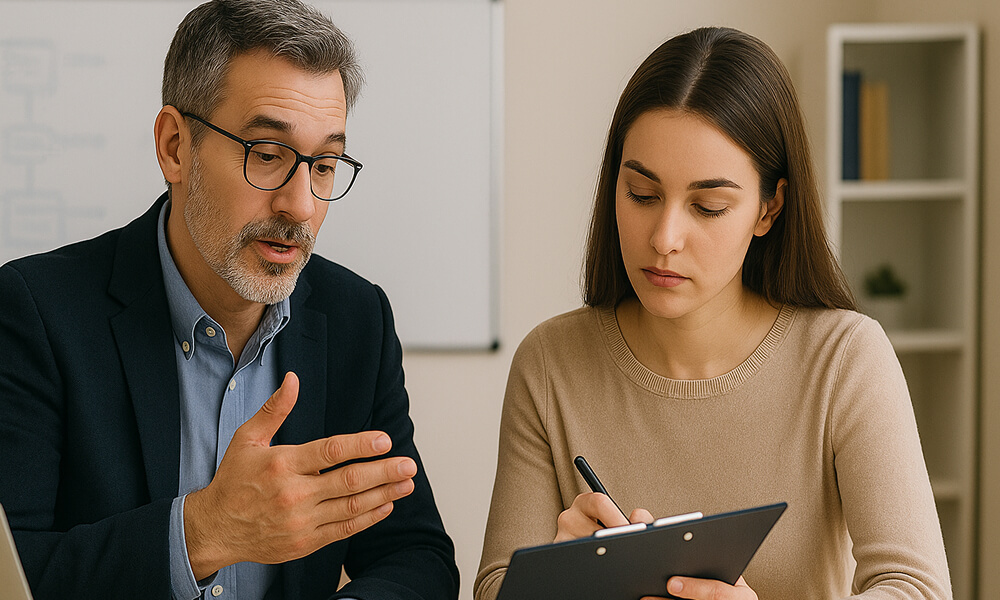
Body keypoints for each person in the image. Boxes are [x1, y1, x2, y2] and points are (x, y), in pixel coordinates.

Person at [0, 1, 459, 599]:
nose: (301, 206)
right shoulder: (37, 311)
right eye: (268, 154)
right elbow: (16, 572)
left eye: (324, 164)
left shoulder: (356, 320)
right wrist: (203, 532)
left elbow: (416, 557)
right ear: (174, 147)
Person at [475, 26, 951, 600]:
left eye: (708, 206)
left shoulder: (844, 357)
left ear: (769, 208)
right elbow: (495, 588)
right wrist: (561, 576)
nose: (665, 238)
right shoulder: (550, 363)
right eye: (641, 195)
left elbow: (915, 587)